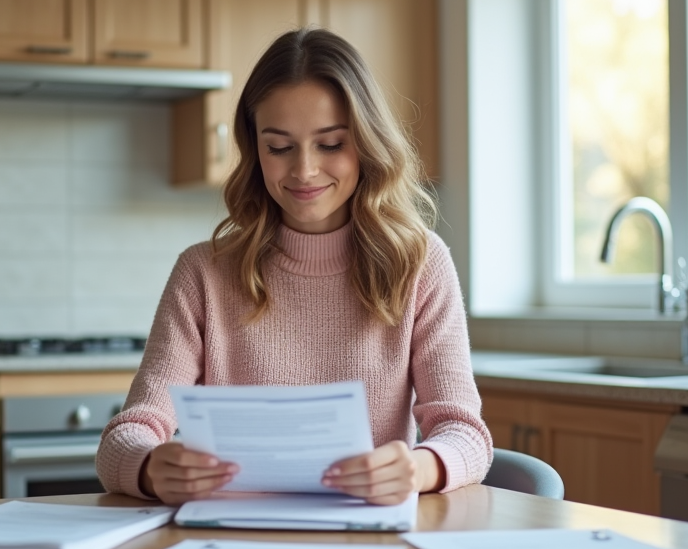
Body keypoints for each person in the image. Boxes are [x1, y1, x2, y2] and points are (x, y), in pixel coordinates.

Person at [95, 27, 493, 506]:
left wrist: (419, 467)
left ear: (366, 143)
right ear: (253, 149)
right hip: (231, 545)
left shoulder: (420, 264)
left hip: (368, 537)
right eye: (279, 147)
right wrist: (149, 467)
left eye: (330, 144)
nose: (303, 170)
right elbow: (127, 434)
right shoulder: (203, 273)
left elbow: (464, 433)